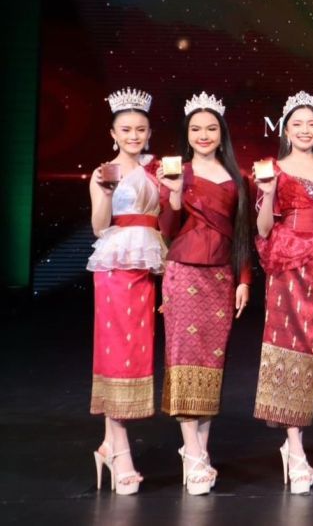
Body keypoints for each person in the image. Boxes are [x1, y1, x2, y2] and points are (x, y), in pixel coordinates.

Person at [252, 91, 313, 494]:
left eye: (312, 124)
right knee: (286, 345)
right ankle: (294, 447)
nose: (305, 130)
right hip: (287, 261)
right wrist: (268, 191)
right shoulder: (272, 168)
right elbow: (262, 228)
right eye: (297, 124)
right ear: (286, 130)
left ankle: (294, 437)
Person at [157, 92, 252, 495]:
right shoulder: (175, 173)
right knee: (183, 360)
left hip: (221, 277)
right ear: (187, 134)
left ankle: (200, 451)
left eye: (211, 128)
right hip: (184, 272)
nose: (204, 135)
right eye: (196, 129)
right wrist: (174, 194)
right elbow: (166, 230)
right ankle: (192, 453)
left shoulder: (237, 178)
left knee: (212, 364)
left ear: (222, 133)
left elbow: (243, 234)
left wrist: (244, 279)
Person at [88, 87, 167, 495]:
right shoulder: (103, 172)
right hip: (116, 267)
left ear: (149, 132)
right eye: (126, 130)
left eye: (140, 129)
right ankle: (120, 452)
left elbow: (169, 218)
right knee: (116, 351)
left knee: (136, 353)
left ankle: (108, 444)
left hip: (147, 267)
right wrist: (104, 194)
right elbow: (99, 227)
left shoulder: (159, 169)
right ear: (113, 134)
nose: (133, 136)